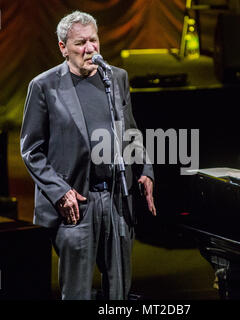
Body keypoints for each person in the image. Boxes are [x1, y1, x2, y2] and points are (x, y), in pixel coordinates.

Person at [20, 10, 156, 300]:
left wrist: (146, 170)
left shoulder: (116, 78)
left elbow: (131, 131)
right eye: (80, 43)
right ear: (63, 48)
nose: (90, 48)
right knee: (78, 292)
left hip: (118, 198)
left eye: (93, 40)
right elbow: (31, 149)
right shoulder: (44, 86)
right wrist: (59, 192)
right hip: (77, 203)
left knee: (119, 291)